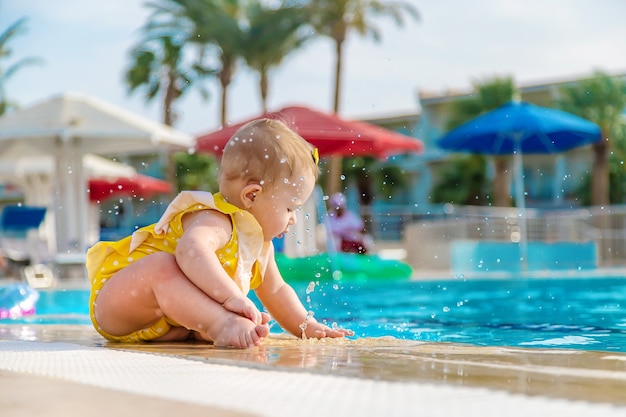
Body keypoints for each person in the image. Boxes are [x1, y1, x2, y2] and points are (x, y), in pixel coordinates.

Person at [86, 119, 353, 348]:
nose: (293, 219)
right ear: (252, 195)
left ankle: (215, 324)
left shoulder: (261, 247)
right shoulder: (216, 218)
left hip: (170, 325)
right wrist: (232, 299)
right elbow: (191, 251)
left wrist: (307, 326)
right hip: (120, 304)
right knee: (163, 266)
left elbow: (276, 290)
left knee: (234, 314)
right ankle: (221, 324)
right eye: (289, 207)